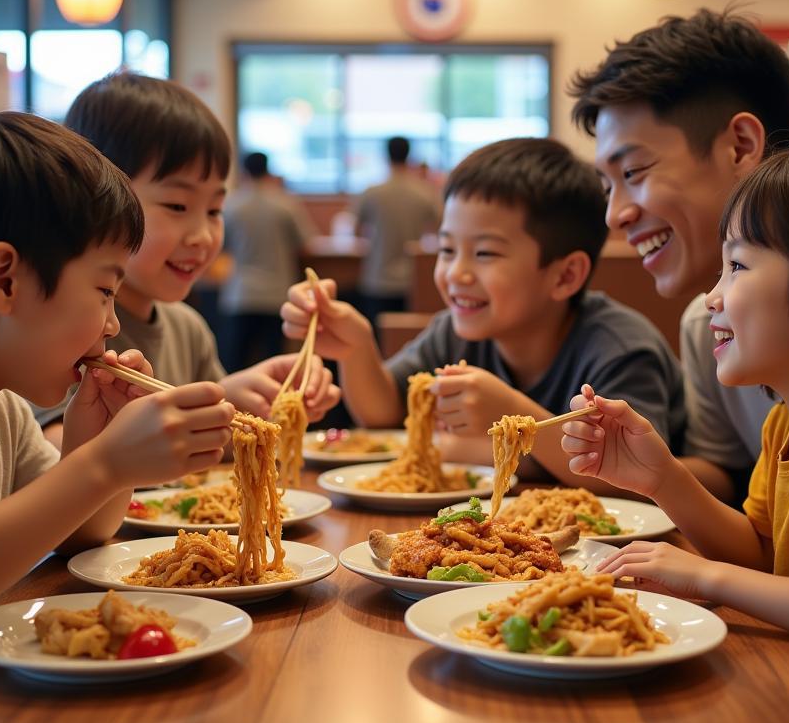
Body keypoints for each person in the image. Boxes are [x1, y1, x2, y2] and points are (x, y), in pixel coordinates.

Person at [0, 112, 237, 667]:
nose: (112, 325)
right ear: (4, 279)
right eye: (104, 290)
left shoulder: (0, 408)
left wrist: (92, 443)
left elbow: (82, 534)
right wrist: (102, 464)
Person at [562, 149, 789, 689]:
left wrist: (707, 576)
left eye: (739, 267)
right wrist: (661, 478)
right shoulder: (783, 427)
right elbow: (761, 553)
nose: (712, 297)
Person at [282, 137, 684, 483]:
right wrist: (356, 350)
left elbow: (634, 473)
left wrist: (511, 414)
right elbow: (385, 414)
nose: (456, 273)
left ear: (565, 276)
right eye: (446, 249)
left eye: (485, 253)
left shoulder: (619, 348)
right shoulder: (453, 333)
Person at [569, 8, 789, 504]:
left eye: (633, 172)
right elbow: (730, 474)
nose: (615, 216)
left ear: (740, 147)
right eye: (606, 186)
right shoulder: (707, 326)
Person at [36, 72, 338, 446]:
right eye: (177, 205)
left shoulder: (188, 329)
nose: (203, 236)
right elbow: (49, 452)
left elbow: (209, 458)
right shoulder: (70, 332)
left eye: (214, 209)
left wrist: (237, 405)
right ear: (97, 201)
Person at [219, 151, 315, 372]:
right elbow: (306, 244)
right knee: (276, 366)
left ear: (244, 172)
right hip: (277, 296)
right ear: (268, 170)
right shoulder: (286, 203)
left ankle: (232, 406)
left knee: (234, 364)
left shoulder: (232, 205)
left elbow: (221, 247)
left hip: (241, 294)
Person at [354, 135, 440, 336]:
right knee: (407, 338)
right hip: (413, 279)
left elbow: (356, 231)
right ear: (409, 155)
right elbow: (439, 231)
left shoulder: (371, 193)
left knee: (376, 339)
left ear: (386, 156)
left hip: (377, 278)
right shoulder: (425, 192)